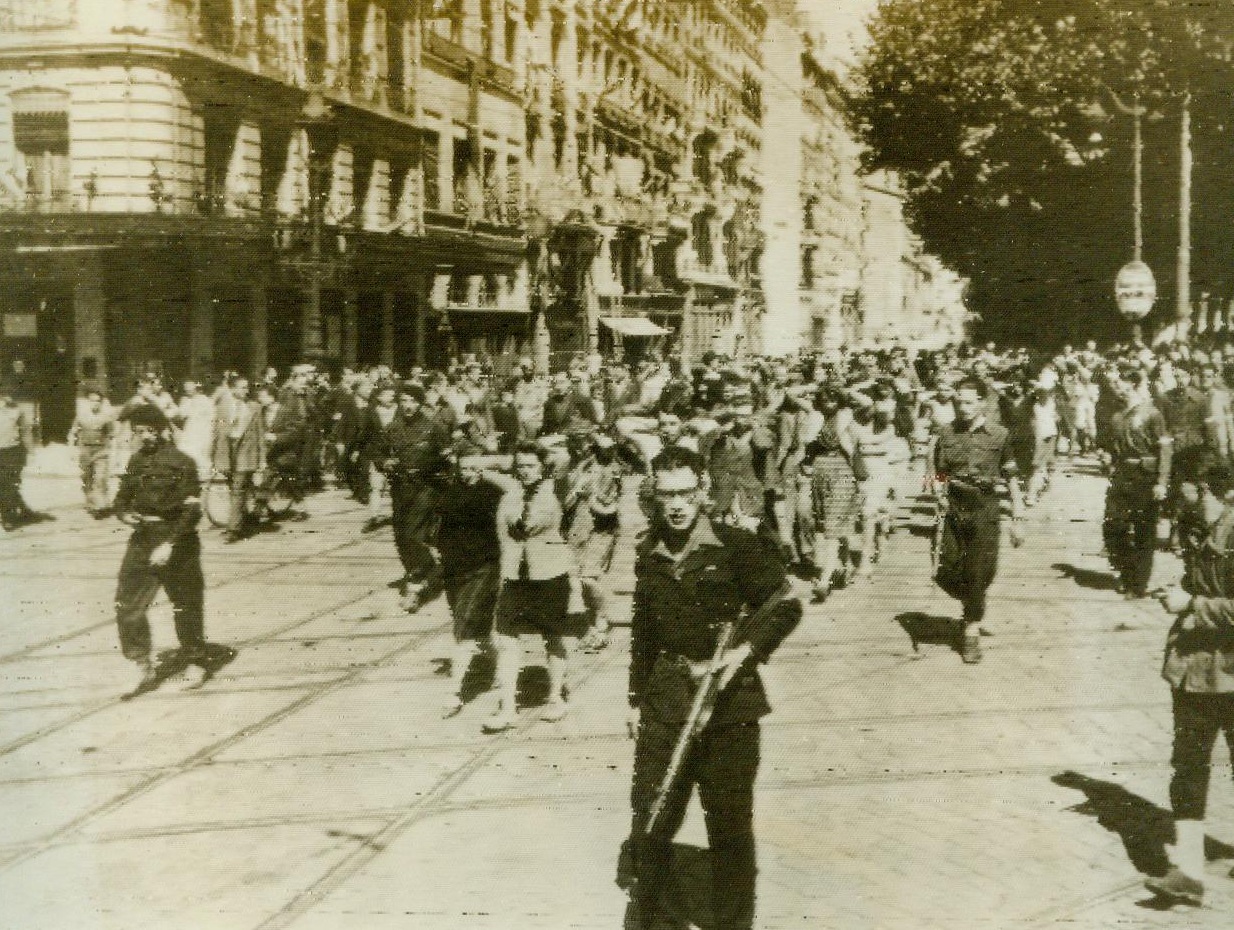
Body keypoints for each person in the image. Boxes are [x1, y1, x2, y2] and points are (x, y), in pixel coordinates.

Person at [621, 447, 802, 930]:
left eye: (685, 492)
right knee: (651, 814)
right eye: (666, 495)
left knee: (728, 827)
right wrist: (636, 699)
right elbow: (644, 632)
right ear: (654, 498)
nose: (676, 504)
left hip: (730, 706)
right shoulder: (648, 552)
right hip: (666, 703)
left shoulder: (737, 546)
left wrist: (746, 652)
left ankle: (733, 922)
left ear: (702, 491)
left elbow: (787, 605)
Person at [1148, 464, 1234, 906]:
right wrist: (1177, 591)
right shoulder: (1199, 526)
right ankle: (1188, 871)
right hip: (1194, 670)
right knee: (1187, 767)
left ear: (1204, 489)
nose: (1177, 500)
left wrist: (1192, 605)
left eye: (1183, 491)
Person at [112, 405, 234, 691]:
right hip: (143, 539)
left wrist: (170, 544)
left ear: (162, 430)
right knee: (127, 604)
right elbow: (122, 498)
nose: (143, 437)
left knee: (186, 604)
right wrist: (123, 513)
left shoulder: (182, 462)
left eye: (148, 431)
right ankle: (141, 663)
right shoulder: (135, 461)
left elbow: (191, 512)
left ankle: (195, 661)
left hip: (178, 541)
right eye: (138, 432)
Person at [484, 442, 585, 732]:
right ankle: (506, 707)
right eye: (521, 466)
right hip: (516, 576)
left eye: (531, 466)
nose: (525, 471)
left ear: (543, 467)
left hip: (550, 574)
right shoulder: (511, 494)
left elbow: (566, 456)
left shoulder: (557, 489)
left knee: (553, 638)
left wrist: (542, 452)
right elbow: (505, 536)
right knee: (506, 639)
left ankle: (555, 697)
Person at [933, 377, 1025, 663]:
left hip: (985, 504)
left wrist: (1018, 516)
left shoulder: (999, 435)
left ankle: (971, 630)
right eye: (959, 401)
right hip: (954, 504)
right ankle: (973, 604)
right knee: (945, 569)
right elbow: (939, 471)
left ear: (982, 403)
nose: (963, 407)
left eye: (969, 402)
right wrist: (937, 490)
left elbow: (1011, 476)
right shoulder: (946, 433)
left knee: (977, 571)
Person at [410, 443, 503, 716]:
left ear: (486, 469)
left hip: (485, 569)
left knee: (463, 627)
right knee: (477, 630)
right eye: (465, 468)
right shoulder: (450, 493)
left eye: (476, 468)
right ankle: (499, 669)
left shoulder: (494, 494)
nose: (470, 473)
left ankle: (455, 693)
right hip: (455, 570)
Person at [1100, 368, 1172, 599]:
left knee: (1144, 530)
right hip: (1122, 476)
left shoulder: (1152, 414)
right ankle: (1125, 570)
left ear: (1131, 383)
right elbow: (1112, 448)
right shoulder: (1117, 416)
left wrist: (1161, 481)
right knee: (1113, 525)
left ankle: (1138, 583)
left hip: (1145, 477)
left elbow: (1165, 449)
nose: (1115, 387)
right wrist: (1107, 457)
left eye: (1118, 382)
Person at [211, 376, 265, 542]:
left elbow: (260, 435)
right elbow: (217, 433)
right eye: (241, 388)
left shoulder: (254, 407)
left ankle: (233, 530)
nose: (245, 391)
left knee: (237, 490)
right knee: (236, 490)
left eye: (246, 387)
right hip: (228, 454)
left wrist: (262, 459)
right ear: (232, 389)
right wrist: (214, 457)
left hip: (246, 453)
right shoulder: (223, 408)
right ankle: (244, 521)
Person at [0, 385, 47, 529]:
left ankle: (8, 517)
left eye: (9, 393)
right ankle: (23, 510)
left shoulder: (17, 410)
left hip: (12, 452)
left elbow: (26, 432)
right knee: (6, 485)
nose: (7, 396)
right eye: (4, 393)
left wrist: (31, 452)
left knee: (8, 484)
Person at [68, 388, 115, 517]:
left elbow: (111, 436)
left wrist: (112, 452)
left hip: (101, 451)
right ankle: (91, 503)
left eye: (98, 401)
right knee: (87, 479)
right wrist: (72, 450)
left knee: (100, 478)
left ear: (101, 403)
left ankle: (99, 506)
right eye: (92, 401)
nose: (95, 403)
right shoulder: (81, 417)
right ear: (88, 402)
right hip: (85, 451)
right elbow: (73, 434)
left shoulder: (106, 418)